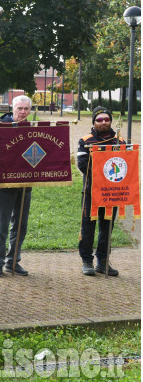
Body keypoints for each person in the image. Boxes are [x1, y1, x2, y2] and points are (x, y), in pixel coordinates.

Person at [76, 106, 125, 276]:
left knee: (107, 228)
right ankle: (87, 261)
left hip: (112, 194)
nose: (103, 122)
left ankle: (103, 261)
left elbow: (125, 164)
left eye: (106, 119)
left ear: (110, 121)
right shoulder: (85, 141)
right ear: (94, 122)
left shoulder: (120, 141)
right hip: (91, 193)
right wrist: (103, 174)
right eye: (99, 120)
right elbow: (83, 165)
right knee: (88, 227)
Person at [0, 95, 32, 277]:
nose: (23, 112)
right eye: (19, 108)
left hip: (25, 184)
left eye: (26, 109)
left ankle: (13, 261)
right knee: (1, 226)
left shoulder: (32, 128)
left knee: (20, 225)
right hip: (4, 183)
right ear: (12, 108)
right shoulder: (0, 127)